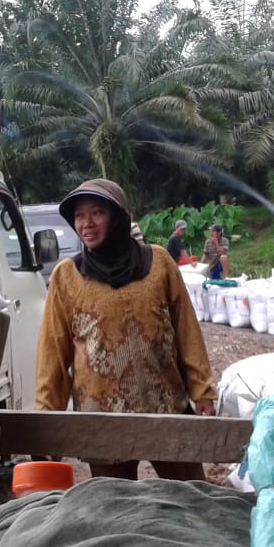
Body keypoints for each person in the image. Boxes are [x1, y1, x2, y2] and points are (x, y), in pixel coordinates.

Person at [35, 179, 216, 482]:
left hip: (165, 408)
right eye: (79, 216)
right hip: (102, 419)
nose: (86, 224)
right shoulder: (66, 277)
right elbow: (52, 354)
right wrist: (47, 420)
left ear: (118, 216)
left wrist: (202, 389)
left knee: (193, 498)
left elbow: (186, 329)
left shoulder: (158, 263)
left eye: (96, 213)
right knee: (114, 511)